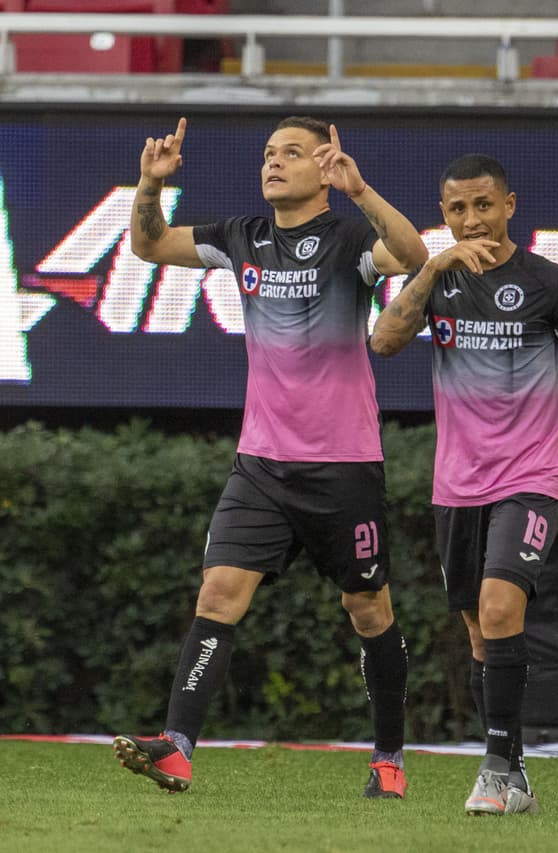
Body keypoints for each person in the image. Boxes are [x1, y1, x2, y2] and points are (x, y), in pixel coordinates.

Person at [111, 116, 428, 799]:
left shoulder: (348, 240)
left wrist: (362, 189)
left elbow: (414, 257)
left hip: (344, 466)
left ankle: (390, 757)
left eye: (291, 153)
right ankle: (178, 747)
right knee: (218, 593)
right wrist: (149, 184)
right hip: (261, 464)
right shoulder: (242, 236)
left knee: (367, 607)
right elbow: (149, 246)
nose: (274, 163)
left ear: (325, 168)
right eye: (268, 153)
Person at [370, 153, 558, 817]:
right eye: (458, 209)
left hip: (530, 477)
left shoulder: (553, 285)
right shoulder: (435, 279)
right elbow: (383, 341)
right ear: (444, 215)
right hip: (455, 486)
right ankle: (516, 767)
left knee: (500, 608)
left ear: (510, 206)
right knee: (477, 628)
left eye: (484, 205)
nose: (472, 219)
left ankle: (496, 769)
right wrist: (432, 265)